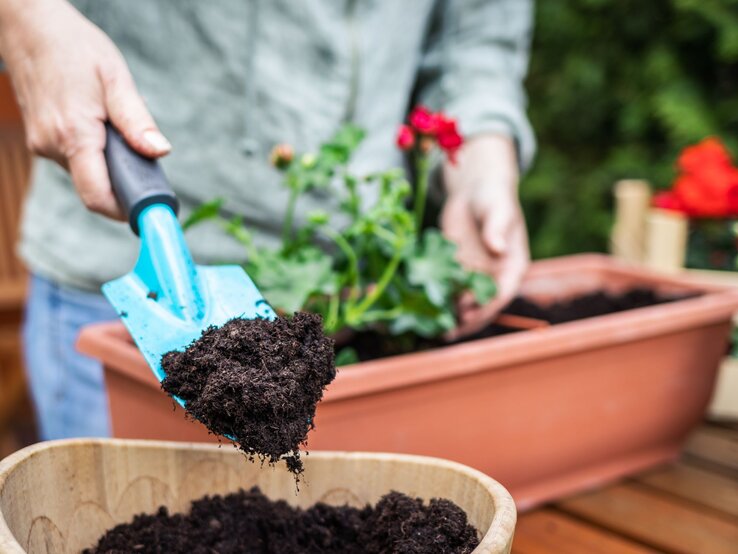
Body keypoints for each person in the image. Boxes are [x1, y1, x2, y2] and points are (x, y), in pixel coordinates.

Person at [0, 0, 535, 440]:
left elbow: (477, 36)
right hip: (112, 291)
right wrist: (25, 20)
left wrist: (483, 165)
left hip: (344, 302)